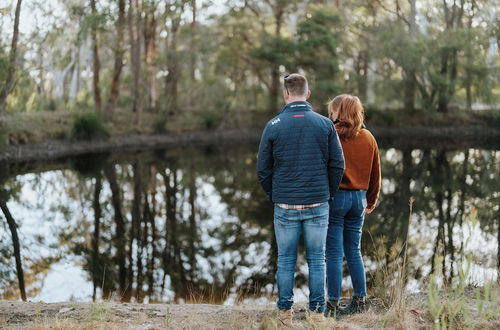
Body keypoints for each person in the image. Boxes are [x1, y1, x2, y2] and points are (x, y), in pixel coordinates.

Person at [257, 73, 345, 326]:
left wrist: (275, 195)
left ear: (286, 94)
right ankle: (317, 314)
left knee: (286, 260)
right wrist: (327, 193)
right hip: (318, 204)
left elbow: (263, 169)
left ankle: (285, 313)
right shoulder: (324, 124)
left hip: (285, 205)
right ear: (308, 94)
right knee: (317, 259)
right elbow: (337, 165)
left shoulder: (273, 125)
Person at [324, 94, 381, 318]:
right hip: (359, 199)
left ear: (342, 112)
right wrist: (371, 199)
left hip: (337, 199)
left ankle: (333, 303)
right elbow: (376, 173)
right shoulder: (369, 137)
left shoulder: (332, 136)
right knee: (354, 251)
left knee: (334, 253)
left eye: (333, 111)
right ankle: (359, 299)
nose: (330, 115)